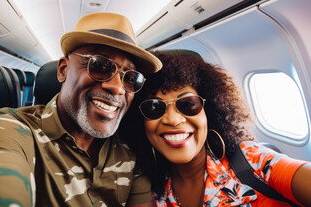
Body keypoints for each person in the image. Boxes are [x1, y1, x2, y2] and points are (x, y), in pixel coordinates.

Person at [0, 12, 162, 206]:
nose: (117, 87)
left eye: (131, 78)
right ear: (63, 70)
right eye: (99, 65)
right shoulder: (11, 130)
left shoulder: (131, 153)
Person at [119, 51, 311, 207]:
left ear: (209, 111)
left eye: (188, 104)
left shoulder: (253, 162)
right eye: (154, 108)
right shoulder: (145, 189)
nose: (173, 120)